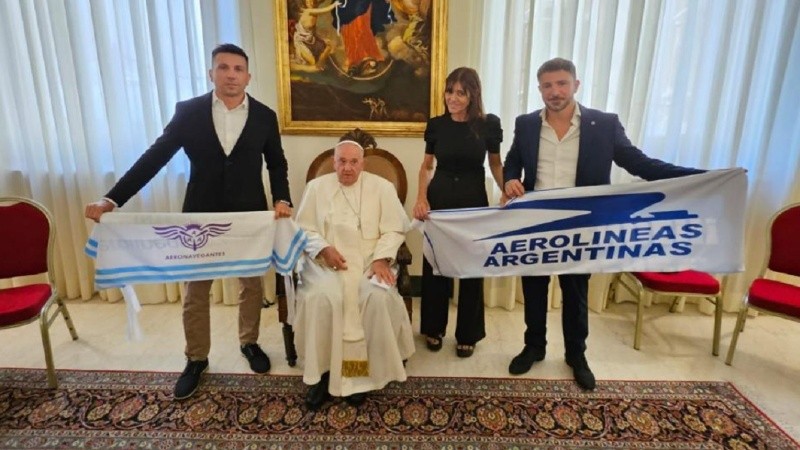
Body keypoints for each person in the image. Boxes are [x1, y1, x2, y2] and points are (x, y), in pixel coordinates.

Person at [84, 43, 293, 400]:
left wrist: (282, 198)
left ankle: (250, 343)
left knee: (252, 286)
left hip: (249, 217)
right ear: (211, 73)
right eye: (223, 67)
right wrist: (112, 197)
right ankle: (196, 358)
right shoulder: (189, 112)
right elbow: (154, 158)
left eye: (238, 68)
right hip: (199, 216)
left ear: (248, 76)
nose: (230, 74)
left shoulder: (265, 116)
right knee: (196, 292)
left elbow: (277, 162)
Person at [502, 57, 704, 390]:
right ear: (540, 89)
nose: (555, 91)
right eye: (548, 85)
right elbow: (513, 161)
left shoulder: (604, 124)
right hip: (536, 221)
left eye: (562, 83)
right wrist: (510, 179)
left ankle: (576, 356)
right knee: (534, 290)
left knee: (576, 293)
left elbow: (641, 164)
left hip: (584, 225)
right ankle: (533, 347)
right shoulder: (525, 124)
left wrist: (697, 178)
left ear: (576, 85)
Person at [293, 133, 414, 410]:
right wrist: (323, 248)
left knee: (375, 298)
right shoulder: (315, 187)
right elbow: (304, 229)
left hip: (370, 260)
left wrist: (382, 259)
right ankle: (322, 374)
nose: (347, 168)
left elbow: (395, 228)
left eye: (354, 162)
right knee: (323, 299)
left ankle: (359, 375)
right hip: (325, 264)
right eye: (342, 162)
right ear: (333, 163)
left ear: (363, 164)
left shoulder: (382, 188)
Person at [412, 67, 504, 358]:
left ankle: (468, 333)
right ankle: (433, 328)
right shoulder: (437, 125)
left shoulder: (488, 125)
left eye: (460, 92)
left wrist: (506, 191)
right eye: (449, 91)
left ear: (472, 95)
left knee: (471, 267)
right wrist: (421, 198)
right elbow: (427, 166)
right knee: (436, 264)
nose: (452, 98)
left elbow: (496, 165)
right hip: (438, 200)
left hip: (473, 201)